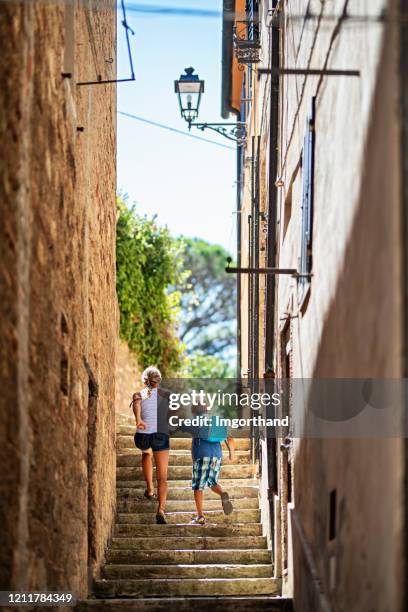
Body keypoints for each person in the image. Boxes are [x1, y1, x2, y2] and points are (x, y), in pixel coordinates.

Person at [131, 366, 169, 524]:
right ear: (158, 380)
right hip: (161, 434)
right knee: (162, 476)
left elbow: (137, 403)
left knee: (146, 453)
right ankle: (160, 509)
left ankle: (150, 490)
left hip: (143, 435)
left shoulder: (139, 394)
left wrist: (138, 419)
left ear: (145, 380)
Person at [188, 405, 235, 525]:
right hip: (216, 455)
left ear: (193, 411)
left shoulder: (194, 420)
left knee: (198, 486)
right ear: (207, 410)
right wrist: (231, 453)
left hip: (201, 454)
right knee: (212, 481)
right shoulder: (216, 420)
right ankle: (222, 494)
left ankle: (200, 516)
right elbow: (229, 438)